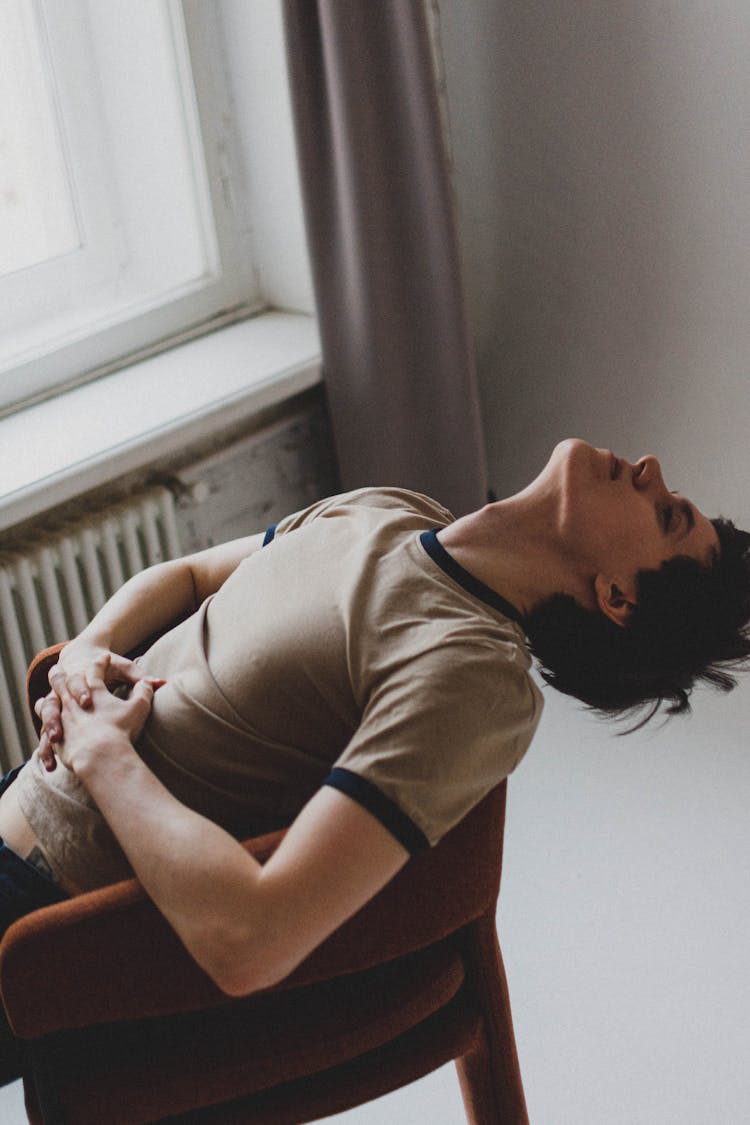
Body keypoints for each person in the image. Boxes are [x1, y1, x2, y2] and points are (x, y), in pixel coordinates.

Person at [0, 438, 748, 1081]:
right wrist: (90, 651)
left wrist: (101, 753)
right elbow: (188, 577)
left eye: (667, 516)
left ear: (617, 596)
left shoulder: (469, 673)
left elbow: (251, 938)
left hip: (42, 919)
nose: (650, 467)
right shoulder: (395, 509)